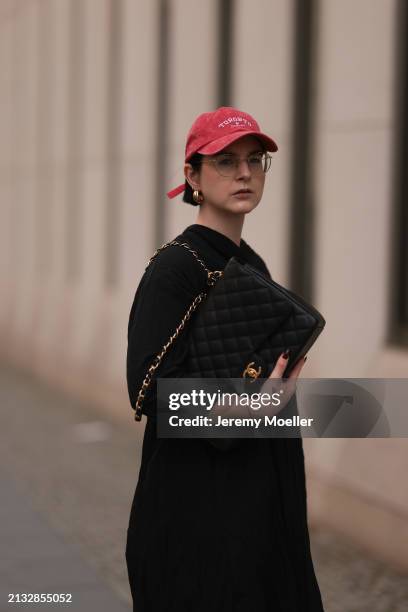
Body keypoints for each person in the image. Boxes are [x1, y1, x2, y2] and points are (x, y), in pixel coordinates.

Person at [125, 106, 325, 611]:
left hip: (258, 496)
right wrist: (248, 407)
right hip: (198, 511)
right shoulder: (176, 268)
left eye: (255, 160)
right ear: (191, 175)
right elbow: (150, 392)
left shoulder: (248, 263)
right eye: (225, 161)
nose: (244, 173)